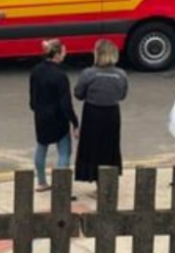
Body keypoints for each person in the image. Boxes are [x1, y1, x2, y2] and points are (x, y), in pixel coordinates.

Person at [73, 39, 129, 185]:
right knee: (110, 146)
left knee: (92, 147)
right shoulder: (121, 74)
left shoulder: (88, 73)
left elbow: (78, 94)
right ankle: (108, 180)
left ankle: (94, 177)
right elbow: (122, 95)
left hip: (92, 113)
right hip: (112, 113)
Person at [29, 39, 79, 193]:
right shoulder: (61, 75)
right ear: (57, 54)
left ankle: (41, 182)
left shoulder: (36, 70)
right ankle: (61, 187)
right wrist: (75, 122)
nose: (66, 53)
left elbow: (32, 97)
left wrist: (36, 109)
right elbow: (66, 104)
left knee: (41, 147)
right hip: (58, 117)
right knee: (64, 152)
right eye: (64, 51)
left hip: (41, 116)